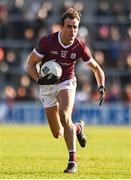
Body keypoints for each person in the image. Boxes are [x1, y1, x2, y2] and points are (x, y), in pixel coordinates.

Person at [26, 8, 105, 173]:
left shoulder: (79, 46)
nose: (73, 30)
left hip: (67, 82)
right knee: (57, 133)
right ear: (61, 27)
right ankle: (77, 128)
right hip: (47, 85)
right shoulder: (47, 41)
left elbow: (97, 69)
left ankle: (72, 162)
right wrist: (39, 79)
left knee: (64, 115)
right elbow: (30, 64)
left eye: (75, 27)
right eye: (69, 26)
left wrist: (101, 86)